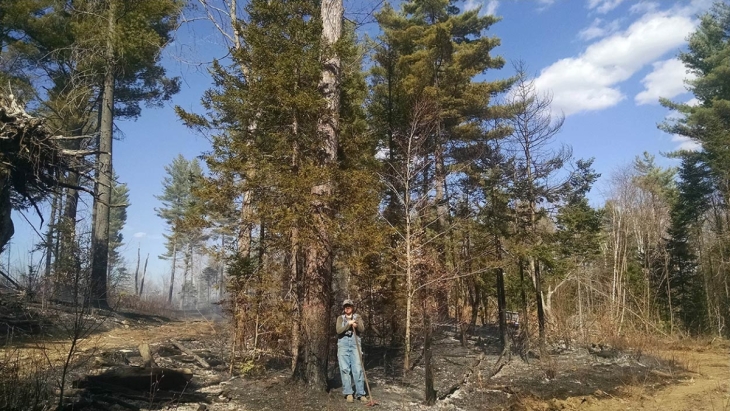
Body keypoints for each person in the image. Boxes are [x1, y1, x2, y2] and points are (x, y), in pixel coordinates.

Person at [335, 298, 368, 403]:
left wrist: (356, 325)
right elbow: (338, 330)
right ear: (344, 308)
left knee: (357, 369)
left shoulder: (357, 317)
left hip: (355, 345)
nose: (347, 308)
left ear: (352, 307)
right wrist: (348, 324)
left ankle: (360, 393)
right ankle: (348, 393)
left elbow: (362, 329)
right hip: (343, 345)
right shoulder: (340, 318)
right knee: (345, 369)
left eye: (349, 306)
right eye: (345, 306)